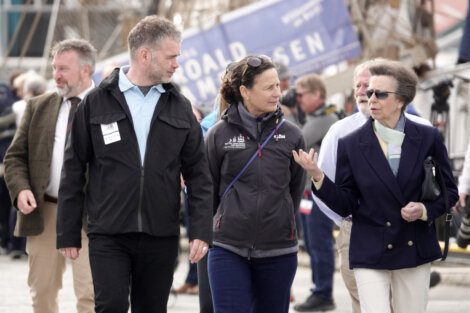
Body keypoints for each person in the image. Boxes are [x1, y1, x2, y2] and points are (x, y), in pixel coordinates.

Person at [56, 15, 213, 313]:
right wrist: (68, 231)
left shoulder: (180, 106)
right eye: (171, 56)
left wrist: (200, 230)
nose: (176, 63)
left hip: (161, 235)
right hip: (108, 233)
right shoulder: (96, 102)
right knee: (111, 306)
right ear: (145, 55)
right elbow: (73, 168)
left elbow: (199, 175)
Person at [293, 60, 458, 313]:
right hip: (368, 244)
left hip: (413, 244)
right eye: (368, 92)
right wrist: (318, 177)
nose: (370, 98)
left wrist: (424, 210)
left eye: (380, 93)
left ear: (401, 100)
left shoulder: (427, 136)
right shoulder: (349, 141)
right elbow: (346, 202)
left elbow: (449, 191)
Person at [205, 55, 305, 313]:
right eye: (268, 87)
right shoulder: (219, 134)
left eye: (278, 86)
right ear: (244, 92)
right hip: (227, 248)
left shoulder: (292, 135)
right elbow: (209, 190)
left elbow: (293, 191)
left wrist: (281, 221)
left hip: (278, 251)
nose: (277, 93)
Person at [3, 39, 96, 313]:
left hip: (93, 213)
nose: (55, 75)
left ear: (86, 70)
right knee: (41, 293)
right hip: (46, 211)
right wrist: (21, 189)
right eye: (54, 67)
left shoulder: (109, 106)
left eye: (63, 68)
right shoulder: (38, 107)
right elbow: (14, 157)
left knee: (90, 294)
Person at [294, 74, 339, 312]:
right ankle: (319, 290)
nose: (298, 99)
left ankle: (323, 293)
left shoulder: (324, 119)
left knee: (319, 243)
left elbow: (297, 141)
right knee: (312, 243)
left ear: (318, 95)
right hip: (309, 192)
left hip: (319, 193)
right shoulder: (312, 117)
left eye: (302, 94)